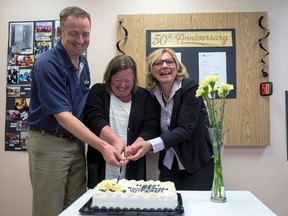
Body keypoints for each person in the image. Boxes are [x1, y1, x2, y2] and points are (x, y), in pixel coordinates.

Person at [27, 6, 125, 216]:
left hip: (76, 144)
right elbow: (63, 116)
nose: (80, 40)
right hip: (50, 143)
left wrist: (112, 140)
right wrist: (103, 146)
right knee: (49, 210)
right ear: (60, 33)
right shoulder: (47, 64)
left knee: (76, 207)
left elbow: (84, 111)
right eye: (73, 33)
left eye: (85, 34)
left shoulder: (82, 62)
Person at [125, 48, 214, 190]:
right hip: (169, 163)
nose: (164, 66)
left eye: (169, 62)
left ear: (177, 67)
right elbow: (152, 126)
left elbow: (185, 130)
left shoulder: (190, 89)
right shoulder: (153, 96)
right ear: (152, 71)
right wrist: (137, 145)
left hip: (196, 162)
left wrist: (150, 145)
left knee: (195, 209)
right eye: (158, 63)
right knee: (166, 205)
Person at [84, 54, 160, 188]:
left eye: (127, 80)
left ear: (134, 79)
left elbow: (151, 127)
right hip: (101, 165)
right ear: (109, 78)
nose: (122, 85)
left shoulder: (144, 97)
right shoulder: (98, 92)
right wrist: (116, 141)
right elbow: (94, 119)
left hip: (132, 167)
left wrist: (135, 146)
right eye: (117, 80)